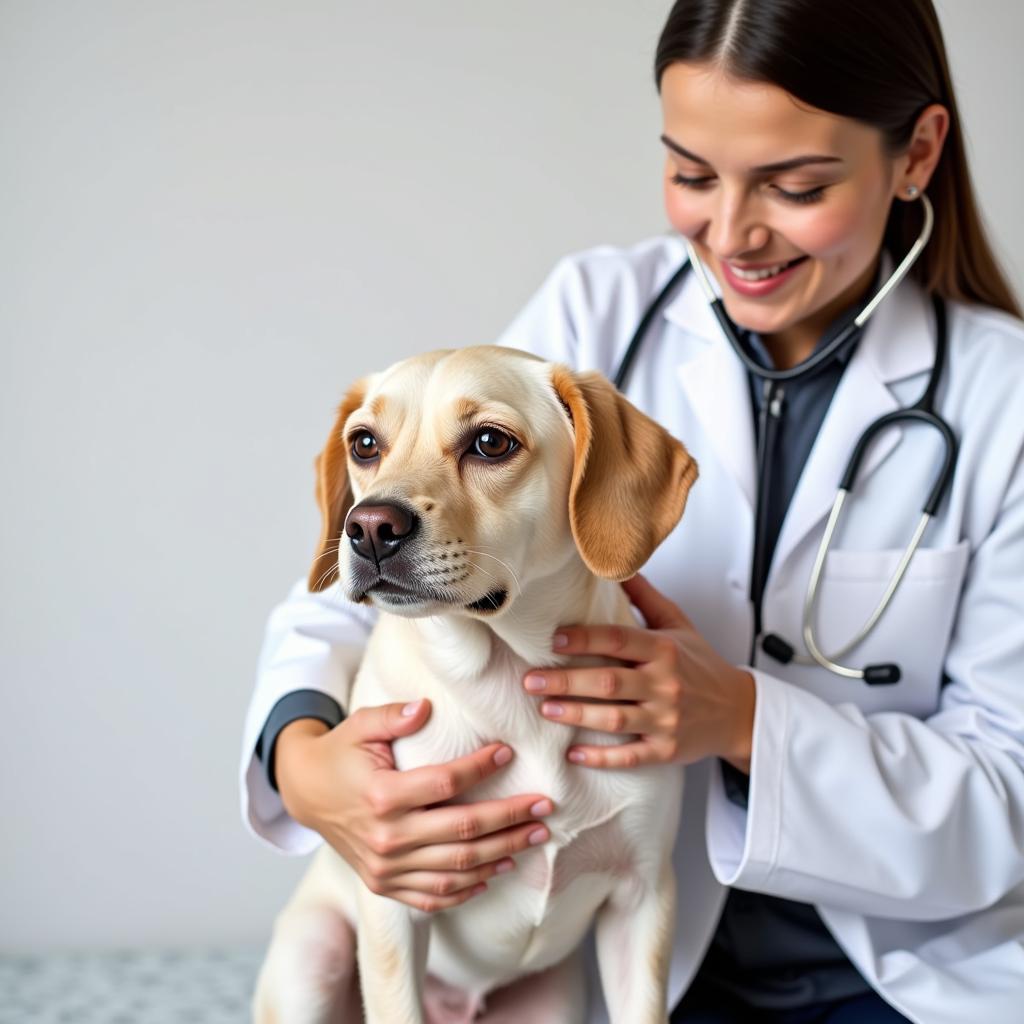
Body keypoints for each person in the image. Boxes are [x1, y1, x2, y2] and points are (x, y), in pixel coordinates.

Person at [240, 1, 1024, 1021]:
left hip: (904, 972)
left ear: (915, 153)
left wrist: (742, 717)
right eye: (692, 174)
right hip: (642, 975)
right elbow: (392, 568)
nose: (732, 232)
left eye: (795, 185)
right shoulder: (593, 315)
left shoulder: (1003, 398)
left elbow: (1007, 796)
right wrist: (304, 764)